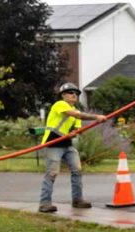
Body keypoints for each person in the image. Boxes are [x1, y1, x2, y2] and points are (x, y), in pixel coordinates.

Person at [38, 83, 107, 213]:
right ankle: (44, 203)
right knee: (52, 173)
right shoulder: (60, 105)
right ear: (63, 95)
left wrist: (75, 132)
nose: (74, 95)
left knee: (77, 170)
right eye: (70, 93)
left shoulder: (76, 110)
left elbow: (77, 128)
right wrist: (96, 117)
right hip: (53, 143)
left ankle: (77, 200)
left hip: (67, 144)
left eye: (76, 93)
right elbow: (76, 115)